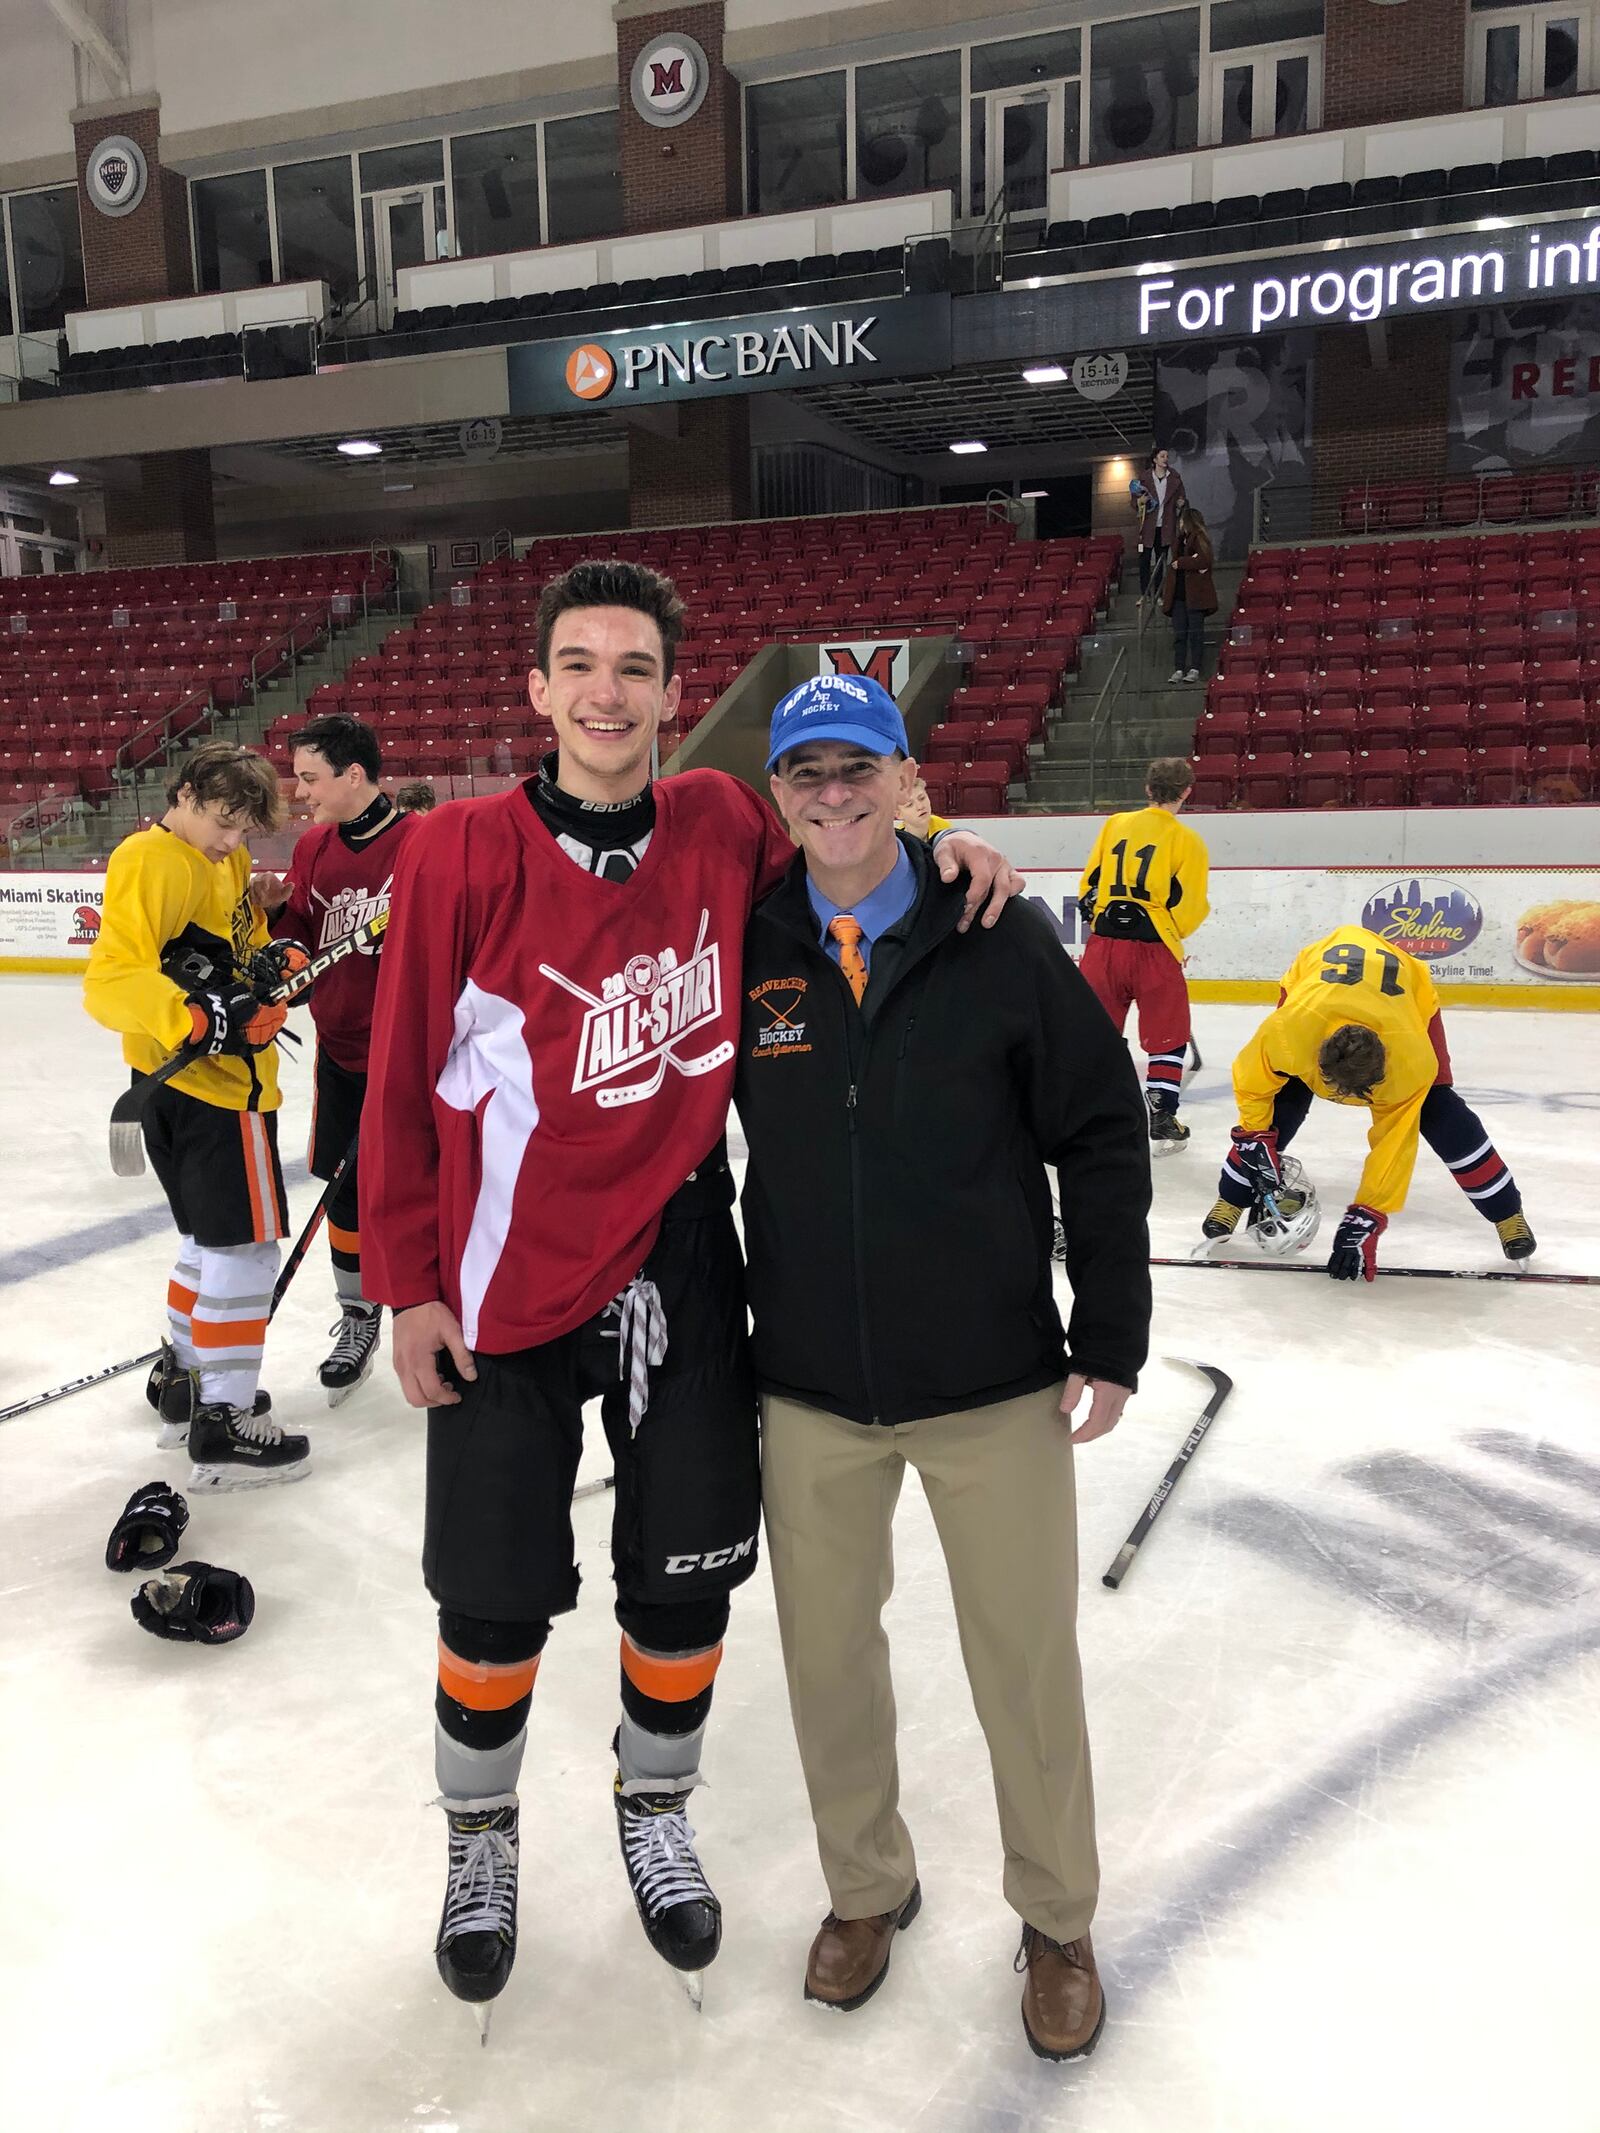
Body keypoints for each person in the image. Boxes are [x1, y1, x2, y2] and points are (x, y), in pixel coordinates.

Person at [358, 563, 1022, 2024]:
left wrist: (944, 834)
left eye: (636, 668)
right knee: (491, 1600)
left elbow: (853, 856)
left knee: (687, 1570)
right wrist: (403, 1283)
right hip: (499, 1286)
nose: (607, 693)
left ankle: (655, 1806)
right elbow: (399, 1084)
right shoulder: (461, 851)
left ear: (674, 694)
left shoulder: (722, 822)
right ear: (537, 692)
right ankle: (482, 1838)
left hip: (676, 1258)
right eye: (580, 665)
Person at [735, 673, 1151, 2063]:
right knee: (827, 1662)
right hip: (806, 1384)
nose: (834, 795)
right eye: (808, 773)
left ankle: (1058, 1917)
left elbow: (1098, 1129)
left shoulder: (997, 927)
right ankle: (868, 1885)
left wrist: (1112, 1332)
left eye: (862, 769)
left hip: (988, 1384)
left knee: (1028, 1666)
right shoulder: (748, 935)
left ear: (909, 781)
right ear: (778, 792)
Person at [82, 741, 312, 1489]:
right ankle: (227, 1417)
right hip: (212, 1093)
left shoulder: (222, 860)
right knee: (244, 1252)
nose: (231, 841)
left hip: (178, 1090)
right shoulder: (149, 860)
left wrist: (269, 957)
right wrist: (192, 1017)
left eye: (244, 829)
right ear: (181, 795)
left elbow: (233, 946)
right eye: (221, 821)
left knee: (204, 1245)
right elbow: (112, 976)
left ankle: (185, 1382)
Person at [1204, 923, 1536, 1276]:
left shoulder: (1411, 1060)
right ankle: (1230, 1200)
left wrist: (1368, 1214)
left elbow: (1393, 1146)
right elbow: (1254, 1085)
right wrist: (1256, 1137)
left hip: (1407, 1002)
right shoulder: (1289, 1032)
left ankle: (1507, 1214)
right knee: (1282, 1105)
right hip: (1315, 989)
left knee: (1443, 1115)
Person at [250, 715, 419, 1401]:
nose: (299, 790)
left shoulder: (420, 843)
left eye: (311, 776)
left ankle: (427, 1312)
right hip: (341, 1056)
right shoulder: (316, 847)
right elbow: (303, 950)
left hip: (413, 1060)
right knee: (343, 1194)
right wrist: (271, 919)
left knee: (418, 1190)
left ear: (354, 774)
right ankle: (358, 1318)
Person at [1077, 757, 1209, 1149]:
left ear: (1148, 790)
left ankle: (1086, 1113)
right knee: (1168, 1035)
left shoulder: (1115, 824)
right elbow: (1190, 907)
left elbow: (1090, 885)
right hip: (1154, 948)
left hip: (1103, 948)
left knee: (1096, 1033)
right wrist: (1169, 930)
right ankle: (1163, 1112)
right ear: (1186, 792)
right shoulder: (1189, 841)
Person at [1162, 501, 1216, 683]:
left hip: (1195, 597)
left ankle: (1195, 668)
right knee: (1179, 635)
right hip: (1179, 596)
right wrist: (1189, 561)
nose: (1179, 525)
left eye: (1181, 521)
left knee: (1195, 634)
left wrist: (1184, 562)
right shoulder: (1179, 542)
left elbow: (1204, 560)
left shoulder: (1200, 537)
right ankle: (1178, 668)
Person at [1133, 445, 1184, 598]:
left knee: (1161, 560)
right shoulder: (1144, 478)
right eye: (1162, 456)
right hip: (1147, 526)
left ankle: (1159, 594)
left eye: (1166, 456)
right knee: (1144, 559)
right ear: (1155, 459)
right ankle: (1145, 593)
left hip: (1165, 526)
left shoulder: (1174, 478)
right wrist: (1140, 501)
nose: (1165, 459)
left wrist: (1180, 502)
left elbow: (1182, 496)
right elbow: (1133, 501)